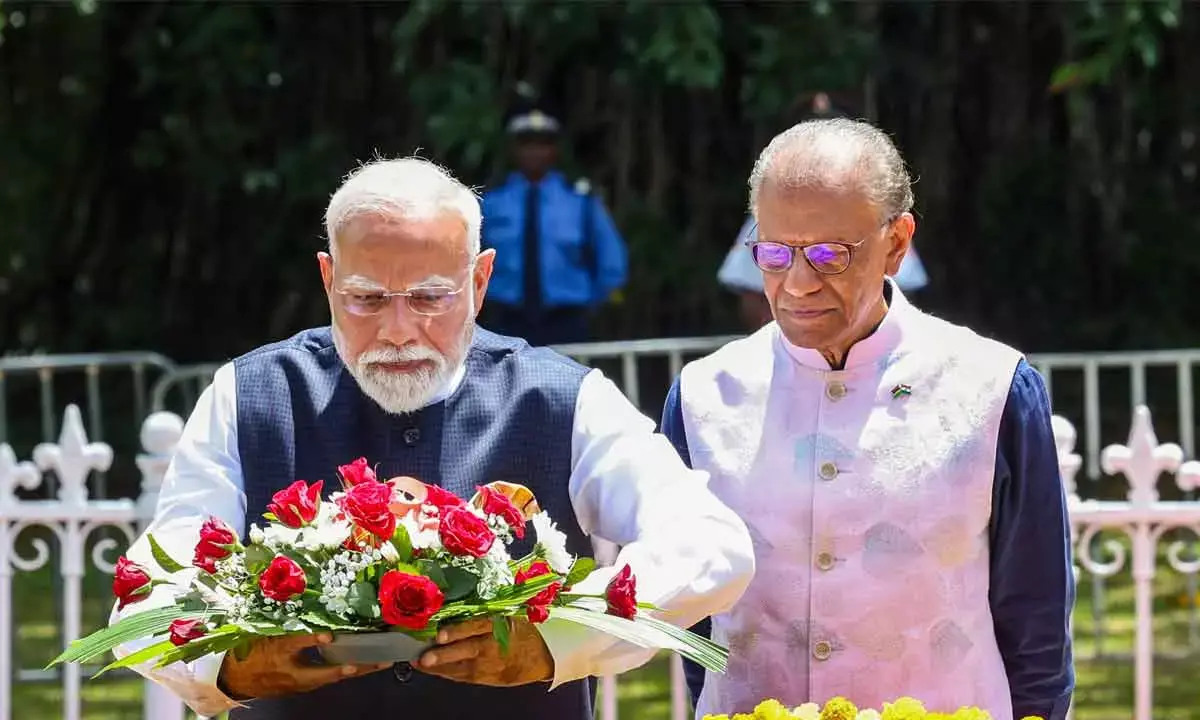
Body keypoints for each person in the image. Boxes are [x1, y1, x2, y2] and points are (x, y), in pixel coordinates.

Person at [110, 157, 754, 720]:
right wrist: (227, 666)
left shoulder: (563, 397)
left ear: (479, 281)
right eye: (366, 298)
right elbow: (151, 586)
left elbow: (709, 545)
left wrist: (560, 635)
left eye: (428, 297)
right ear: (328, 279)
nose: (397, 329)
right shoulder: (249, 396)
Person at [664, 119, 1074, 719]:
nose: (798, 283)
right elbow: (692, 617)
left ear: (898, 242)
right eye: (775, 253)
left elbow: (1035, 615)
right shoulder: (704, 396)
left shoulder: (992, 388)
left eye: (830, 253)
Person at [480, 97, 628, 346]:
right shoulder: (491, 201)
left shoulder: (580, 201)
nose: (535, 152)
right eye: (527, 143)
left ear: (555, 149)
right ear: (514, 148)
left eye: (544, 143)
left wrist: (590, 303)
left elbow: (612, 263)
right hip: (504, 318)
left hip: (566, 319)